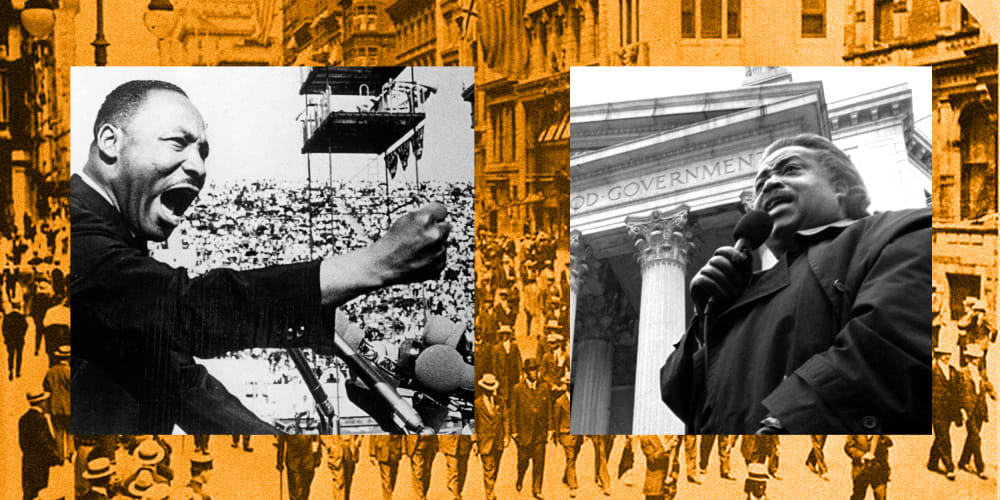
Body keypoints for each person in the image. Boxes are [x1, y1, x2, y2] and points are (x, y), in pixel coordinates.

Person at [71, 80, 450, 433]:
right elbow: (186, 308)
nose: (199, 167)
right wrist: (374, 264)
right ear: (110, 141)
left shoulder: (121, 242)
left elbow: (187, 387)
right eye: (177, 143)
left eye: (202, 152)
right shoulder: (69, 227)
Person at [662, 133, 931, 433]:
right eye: (761, 184)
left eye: (790, 170)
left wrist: (784, 430)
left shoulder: (902, 231)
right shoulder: (742, 296)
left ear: (841, 188)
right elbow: (687, 402)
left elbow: (889, 348)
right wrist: (706, 320)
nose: (769, 185)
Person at [511, 357, 550, 499]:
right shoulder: (518, 389)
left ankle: (537, 489)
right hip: (524, 433)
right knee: (523, 461)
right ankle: (520, 477)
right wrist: (514, 431)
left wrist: (550, 429)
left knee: (539, 462)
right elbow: (513, 412)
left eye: (536, 370)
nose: (535, 373)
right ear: (526, 372)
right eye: (532, 370)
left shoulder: (544, 387)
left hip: (540, 432)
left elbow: (549, 409)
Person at [957, 345, 996, 479]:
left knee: (972, 436)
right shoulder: (962, 373)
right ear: (968, 358)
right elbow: (959, 393)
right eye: (974, 358)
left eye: (978, 358)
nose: (976, 361)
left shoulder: (981, 372)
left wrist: (992, 392)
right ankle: (980, 468)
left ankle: (963, 462)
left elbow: (986, 382)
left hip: (980, 408)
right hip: (969, 409)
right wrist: (962, 409)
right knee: (976, 437)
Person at [19, 390, 61, 500]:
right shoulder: (40, 419)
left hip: (27, 461)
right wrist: (55, 458)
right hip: (40, 463)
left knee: (29, 493)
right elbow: (43, 443)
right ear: (42, 402)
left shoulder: (23, 418)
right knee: (40, 492)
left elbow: (22, 443)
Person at [929, 345, 961, 479]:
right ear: (938, 355)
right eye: (944, 354)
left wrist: (958, 411)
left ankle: (932, 462)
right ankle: (949, 467)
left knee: (942, 435)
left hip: (949, 410)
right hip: (936, 410)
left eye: (948, 354)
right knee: (944, 437)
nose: (947, 357)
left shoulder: (953, 371)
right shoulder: (932, 369)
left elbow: (957, 392)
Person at [474, 374, 507, 500]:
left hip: (498, 441)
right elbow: (473, 424)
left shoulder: (500, 401)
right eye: (488, 388)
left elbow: (505, 419)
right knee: (488, 469)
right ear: (483, 389)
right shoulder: (477, 404)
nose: (491, 391)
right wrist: (474, 442)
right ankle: (490, 495)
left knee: (495, 467)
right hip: (485, 441)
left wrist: (506, 436)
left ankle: (491, 489)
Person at [42, 345, 71, 462]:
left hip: (55, 406)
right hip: (69, 406)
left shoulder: (51, 371)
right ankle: (70, 453)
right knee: (70, 431)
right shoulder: (70, 372)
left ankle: (60, 455)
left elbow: (46, 387)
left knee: (58, 432)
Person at [844, 434, 892, 500]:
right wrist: (862, 456)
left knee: (881, 496)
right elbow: (848, 447)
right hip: (861, 470)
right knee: (858, 496)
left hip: (878, 470)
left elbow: (889, 444)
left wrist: (883, 438)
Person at [276, 435, 321, 500]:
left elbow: (316, 439)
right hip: (295, 462)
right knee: (297, 491)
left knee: (303, 490)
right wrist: (280, 459)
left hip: (306, 461)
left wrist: (317, 456)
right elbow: (281, 440)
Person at [638, 435, 680, 500]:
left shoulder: (670, 436)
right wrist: (667, 447)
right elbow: (653, 459)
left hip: (669, 483)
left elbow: (674, 459)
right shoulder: (646, 437)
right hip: (655, 485)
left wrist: (673, 475)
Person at [322, 435, 361, 500]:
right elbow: (322, 432)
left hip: (350, 448)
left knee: (348, 480)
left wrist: (357, 441)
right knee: (339, 481)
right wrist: (329, 444)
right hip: (336, 448)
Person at [405, 434, 438, 500]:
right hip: (416, 445)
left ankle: (423, 494)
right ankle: (419, 496)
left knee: (427, 472)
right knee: (418, 471)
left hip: (430, 444)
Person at [439, 434, 473, 500]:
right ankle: (454, 493)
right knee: (453, 469)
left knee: (462, 470)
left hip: (464, 442)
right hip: (449, 442)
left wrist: (474, 440)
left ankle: (458, 492)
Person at [369, 435, 402, 500]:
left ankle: (389, 493)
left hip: (395, 450)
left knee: (393, 477)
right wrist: (372, 454)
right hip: (382, 449)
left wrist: (403, 449)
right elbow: (372, 436)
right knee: (386, 478)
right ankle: (387, 498)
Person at [3, 301, 27, 380]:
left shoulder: (7, 317)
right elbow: (25, 326)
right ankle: (18, 371)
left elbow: (4, 329)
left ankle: (10, 369)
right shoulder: (21, 317)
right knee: (19, 355)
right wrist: (22, 335)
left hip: (10, 340)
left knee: (10, 355)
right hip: (19, 340)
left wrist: (6, 338)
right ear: (19, 307)